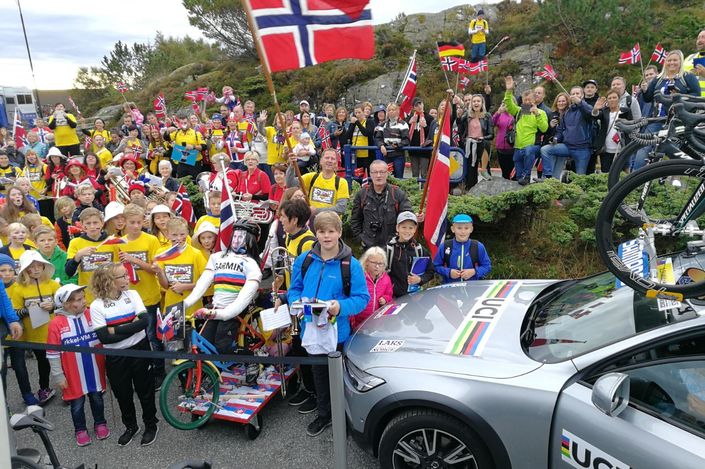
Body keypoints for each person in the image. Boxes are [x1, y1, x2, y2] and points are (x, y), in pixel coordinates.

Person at [287, 211, 369, 437]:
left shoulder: (350, 265)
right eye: (321, 231)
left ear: (339, 233)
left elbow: (362, 298)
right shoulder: (304, 260)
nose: (326, 236)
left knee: (341, 380)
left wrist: (339, 307)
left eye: (331, 231)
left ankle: (346, 418)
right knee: (319, 376)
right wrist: (296, 303)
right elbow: (294, 289)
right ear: (316, 233)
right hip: (311, 330)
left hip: (338, 334)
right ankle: (324, 415)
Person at [182, 219, 261, 383]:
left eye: (243, 236)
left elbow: (242, 300)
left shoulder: (252, 265)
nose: (238, 239)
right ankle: (209, 374)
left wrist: (221, 313)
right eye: (235, 235)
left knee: (223, 346)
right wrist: (184, 304)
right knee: (204, 343)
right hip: (216, 307)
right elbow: (202, 283)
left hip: (233, 311)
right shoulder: (216, 257)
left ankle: (251, 359)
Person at [90, 263, 158, 447]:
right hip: (116, 357)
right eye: (123, 276)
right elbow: (104, 337)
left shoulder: (133, 294)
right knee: (123, 394)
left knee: (145, 390)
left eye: (127, 274)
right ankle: (131, 426)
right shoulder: (97, 306)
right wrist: (130, 326)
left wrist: (115, 329)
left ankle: (151, 425)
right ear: (109, 281)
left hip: (140, 349)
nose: (128, 278)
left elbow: (145, 322)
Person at [47, 284, 109, 447]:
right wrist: (58, 375)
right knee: (77, 404)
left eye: (83, 297)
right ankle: (80, 430)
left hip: (95, 369)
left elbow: (104, 339)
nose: (84, 301)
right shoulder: (56, 324)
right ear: (66, 304)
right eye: (79, 299)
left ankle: (100, 423)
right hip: (72, 374)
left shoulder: (91, 314)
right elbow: (52, 354)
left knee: (97, 399)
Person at [119, 204, 164, 386]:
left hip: (149, 295)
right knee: (136, 336)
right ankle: (143, 368)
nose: (136, 226)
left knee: (152, 335)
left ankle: (159, 370)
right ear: (124, 223)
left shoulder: (151, 240)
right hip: (129, 298)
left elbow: (155, 269)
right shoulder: (119, 242)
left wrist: (133, 260)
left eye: (139, 222)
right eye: (132, 222)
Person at [12, 250, 61, 405]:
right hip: (34, 335)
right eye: (31, 267)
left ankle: (68, 386)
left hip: (55, 332)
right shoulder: (19, 289)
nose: (36, 269)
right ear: (25, 270)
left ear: (44, 266)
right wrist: (29, 309)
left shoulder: (53, 284)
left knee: (62, 360)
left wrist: (52, 305)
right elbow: (15, 312)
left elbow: (63, 305)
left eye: (39, 265)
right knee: (43, 362)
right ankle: (44, 388)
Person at [154, 217, 206, 324]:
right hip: (171, 308)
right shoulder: (162, 254)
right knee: (173, 340)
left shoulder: (196, 253)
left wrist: (185, 286)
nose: (178, 238)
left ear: (187, 232)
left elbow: (206, 283)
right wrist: (159, 272)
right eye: (174, 235)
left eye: (182, 234)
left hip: (193, 309)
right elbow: (164, 286)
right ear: (167, 234)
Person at [350, 159, 413, 249]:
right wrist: (360, 239)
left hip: (392, 246)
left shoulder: (397, 194)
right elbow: (355, 220)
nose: (378, 175)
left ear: (387, 173)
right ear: (370, 174)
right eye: (375, 172)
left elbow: (407, 217)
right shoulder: (362, 194)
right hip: (368, 246)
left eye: (382, 172)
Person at [0, 253, 33, 406]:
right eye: (2, 270)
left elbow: (5, 303)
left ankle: (27, 393)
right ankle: (3, 402)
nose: (6, 274)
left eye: (10, 270)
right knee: (2, 371)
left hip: (12, 334)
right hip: (3, 336)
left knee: (19, 366)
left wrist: (13, 320)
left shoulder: (17, 287)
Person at [540, 86, 594, 178]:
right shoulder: (567, 112)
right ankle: (548, 176)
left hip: (582, 149)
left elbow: (591, 112)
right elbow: (560, 131)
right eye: (573, 94)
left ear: (582, 95)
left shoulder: (585, 109)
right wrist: (556, 138)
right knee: (545, 149)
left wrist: (580, 103)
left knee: (580, 178)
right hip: (567, 146)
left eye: (577, 94)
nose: (575, 96)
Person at [503, 76, 548, 185]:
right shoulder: (519, 111)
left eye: (530, 100)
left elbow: (544, 128)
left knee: (528, 151)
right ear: (522, 101)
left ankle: (527, 175)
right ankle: (523, 189)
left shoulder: (541, 112)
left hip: (532, 147)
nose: (527, 102)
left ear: (534, 100)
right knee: (519, 179)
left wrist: (537, 114)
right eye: (525, 100)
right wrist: (509, 90)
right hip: (518, 147)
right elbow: (508, 104)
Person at [65, 208, 117, 302]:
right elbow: (69, 272)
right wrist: (78, 256)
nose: (92, 226)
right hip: (88, 298)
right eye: (88, 223)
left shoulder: (112, 241)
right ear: (82, 225)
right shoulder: (75, 243)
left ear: (102, 223)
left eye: (95, 222)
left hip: (111, 295)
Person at [286, 148, 350, 217]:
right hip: (311, 222)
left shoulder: (342, 182)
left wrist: (316, 211)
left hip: (330, 223)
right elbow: (291, 184)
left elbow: (341, 208)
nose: (329, 160)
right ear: (321, 161)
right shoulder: (312, 177)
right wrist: (291, 167)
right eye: (327, 158)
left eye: (333, 159)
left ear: (336, 164)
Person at [386, 211, 435, 298]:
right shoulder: (389, 250)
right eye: (403, 227)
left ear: (415, 229)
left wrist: (420, 279)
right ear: (397, 228)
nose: (407, 231)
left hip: (416, 297)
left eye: (410, 228)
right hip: (393, 297)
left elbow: (430, 272)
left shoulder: (420, 250)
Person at [433, 214, 491, 283]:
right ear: (453, 229)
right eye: (459, 228)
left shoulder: (477, 246)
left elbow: (487, 266)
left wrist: (474, 271)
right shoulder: (445, 246)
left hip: (473, 288)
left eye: (466, 228)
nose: (463, 231)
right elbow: (436, 266)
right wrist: (448, 272)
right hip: (450, 289)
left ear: (471, 229)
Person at [351, 246, 392, 331]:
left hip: (376, 321)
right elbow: (351, 297)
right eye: (374, 263)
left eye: (380, 263)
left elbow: (389, 295)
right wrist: (352, 320)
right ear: (366, 262)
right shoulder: (359, 276)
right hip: (358, 321)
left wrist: (385, 299)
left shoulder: (386, 278)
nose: (377, 266)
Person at [456, 93, 494, 186]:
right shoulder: (467, 115)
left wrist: (482, 138)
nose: (476, 103)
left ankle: (484, 171)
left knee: (485, 144)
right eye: (474, 101)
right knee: (471, 170)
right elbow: (459, 125)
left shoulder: (487, 116)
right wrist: (457, 114)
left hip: (482, 143)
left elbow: (491, 135)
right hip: (469, 144)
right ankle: (470, 188)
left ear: (482, 103)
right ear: (471, 104)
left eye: (478, 101)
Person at [592, 90, 633, 172]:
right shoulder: (604, 111)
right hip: (606, 150)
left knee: (622, 173)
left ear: (619, 99)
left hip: (621, 149)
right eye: (609, 98)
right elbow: (596, 116)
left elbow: (631, 127)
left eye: (614, 97)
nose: (612, 99)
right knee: (606, 173)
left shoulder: (626, 111)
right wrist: (595, 109)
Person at [374, 103, 410, 179]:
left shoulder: (403, 124)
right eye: (389, 110)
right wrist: (381, 146)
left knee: (398, 178)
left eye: (393, 110)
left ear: (397, 111)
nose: (391, 112)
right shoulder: (382, 125)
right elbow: (378, 138)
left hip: (398, 155)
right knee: (387, 178)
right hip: (386, 155)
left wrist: (398, 145)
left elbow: (406, 140)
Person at [407, 97, 434, 178]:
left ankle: (423, 190)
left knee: (424, 174)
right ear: (413, 108)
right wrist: (409, 123)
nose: (419, 106)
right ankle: (414, 190)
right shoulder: (411, 118)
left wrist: (425, 126)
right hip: (413, 149)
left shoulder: (429, 118)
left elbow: (431, 134)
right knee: (414, 174)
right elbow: (405, 133)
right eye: (416, 105)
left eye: (420, 103)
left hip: (425, 149)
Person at [346, 104, 376, 176]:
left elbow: (367, 133)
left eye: (359, 112)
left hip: (368, 154)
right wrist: (352, 125)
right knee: (358, 176)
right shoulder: (353, 124)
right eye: (356, 113)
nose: (357, 115)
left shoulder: (369, 122)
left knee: (369, 175)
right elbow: (347, 136)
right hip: (356, 154)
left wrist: (358, 123)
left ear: (363, 112)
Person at [492, 102, 516, 179]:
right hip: (501, 147)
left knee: (513, 172)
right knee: (505, 172)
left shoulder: (516, 114)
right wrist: (498, 112)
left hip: (513, 147)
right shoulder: (500, 115)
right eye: (504, 104)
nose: (506, 106)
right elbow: (492, 123)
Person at [683, 29, 705, 97]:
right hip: (689, 101)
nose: (699, 40)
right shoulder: (689, 58)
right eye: (698, 38)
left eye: (703, 37)